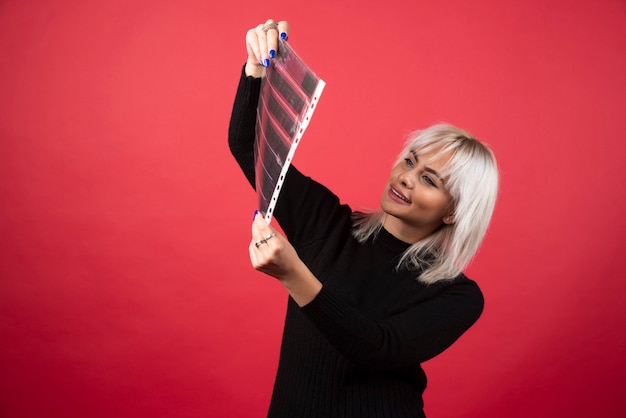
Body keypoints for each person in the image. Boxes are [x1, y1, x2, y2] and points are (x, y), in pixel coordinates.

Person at [228, 19, 499, 418]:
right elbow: (249, 149)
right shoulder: (327, 224)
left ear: (455, 210)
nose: (406, 176)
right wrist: (255, 69)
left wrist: (292, 274)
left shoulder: (458, 296)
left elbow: (376, 348)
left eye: (429, 179)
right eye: (410, 160)